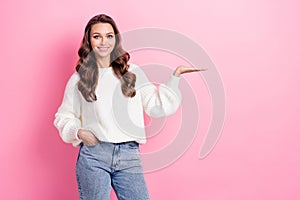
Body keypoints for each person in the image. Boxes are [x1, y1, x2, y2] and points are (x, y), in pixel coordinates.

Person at [54, 14, 206, 200]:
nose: (104, 41)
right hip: (94, 155)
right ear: (89, 41)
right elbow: (64, 116)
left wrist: (175, 77)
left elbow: (156, 106)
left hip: (128, 155)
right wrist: (79, 132)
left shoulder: (131, 72)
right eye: (97, 36)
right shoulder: (79, 79)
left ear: (116, 40)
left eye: (109, 36)